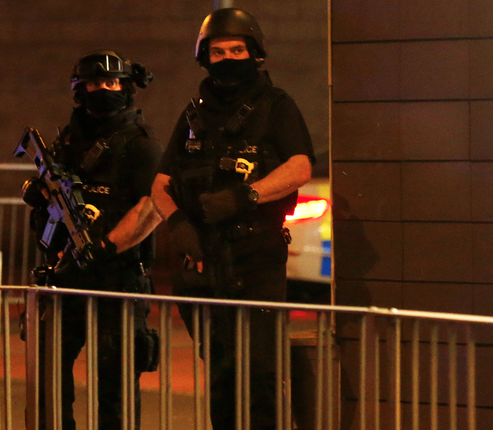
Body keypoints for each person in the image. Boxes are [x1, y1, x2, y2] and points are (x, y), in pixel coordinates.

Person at [150, 8, 316, 430]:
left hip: (256, 257)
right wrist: (178, 225)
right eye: (218, 51)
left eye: (237, 49)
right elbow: (160, 185)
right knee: (223, 376)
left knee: (259, 375)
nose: (227, 58)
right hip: (205, 262)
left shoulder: (276, 105)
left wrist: (246, 195)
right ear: (204, 57)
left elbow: (299, 167)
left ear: (255, 53)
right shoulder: (194, 115)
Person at [22, 49, 162, 430]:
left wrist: (105, 246)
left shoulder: (141, 144)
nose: (103, 89)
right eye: (94, 83)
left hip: (117, 279)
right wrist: (40, 193)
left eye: (111, 82)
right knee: (47, 386)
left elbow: (151, 208)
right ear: (80, 90)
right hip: (64, 278)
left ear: (126, 88)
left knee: (115, 391)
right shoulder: (68, 140)